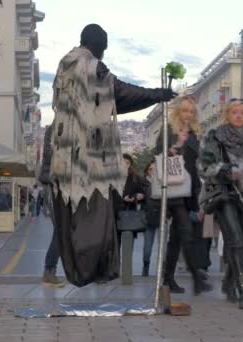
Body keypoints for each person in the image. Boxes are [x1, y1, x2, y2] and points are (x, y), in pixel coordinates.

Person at [49, 24, 175, 287]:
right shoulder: (92, 66)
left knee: (69, 216)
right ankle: (91, 271)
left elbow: (108, 99)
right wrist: (157, 95)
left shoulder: (64, 66)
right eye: (103, 49)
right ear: (99, 46)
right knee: (93, 218)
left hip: (64, 156)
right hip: (90, 159)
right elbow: (119, 93)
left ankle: (78, 269)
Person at [199, 98, 243, 310]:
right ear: (227, 115)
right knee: (236, 241)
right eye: (234, 112)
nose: (239, 116)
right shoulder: (214, 136)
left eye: (242, 112)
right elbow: (203, 166)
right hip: (224, 194)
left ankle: (228, 281)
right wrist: (226, 170)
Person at [156, 96, 212, 295]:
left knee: (177, 238)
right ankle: (196, 278)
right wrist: (176, 146)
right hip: (174, 191)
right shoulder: (169, 130)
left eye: (191, 112)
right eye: (184, 111)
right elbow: (158, 155)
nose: (188, 115)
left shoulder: (195, 134)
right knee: (186, 232)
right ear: (178, 112)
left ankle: (167, 277)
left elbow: (197, 165)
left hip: (191, 191)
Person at [38, 125, 65, 287]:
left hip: (59, 184)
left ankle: (50, 271)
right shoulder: (58, 127)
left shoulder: (63, 126)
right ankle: (49, 271)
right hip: (54, 183)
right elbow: (53, 155)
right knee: (61, 230)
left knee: (64, 230)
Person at [141, 161, 160, 277]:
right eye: (151, 169)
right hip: (148, 217)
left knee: (164, 247)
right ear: (147, 171)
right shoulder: (143, 183)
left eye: (156, 169)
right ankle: (146, 265)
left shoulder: (164, 182)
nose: (153, 171)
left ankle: (162, 268)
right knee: (147, 247)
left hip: (162, 217)